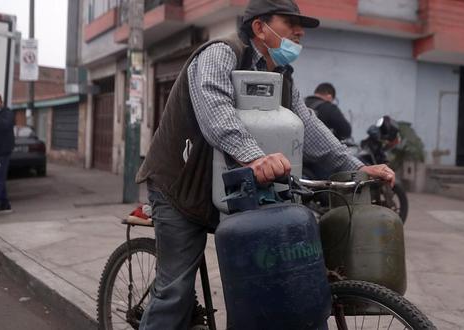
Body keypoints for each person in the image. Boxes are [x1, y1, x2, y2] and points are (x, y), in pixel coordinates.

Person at [135, 0, 396, 328]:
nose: (300, 32)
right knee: (175, 291)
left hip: (230, 190)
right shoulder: (222, 52)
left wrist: (356, 166)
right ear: (260, 27)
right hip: (180, 189)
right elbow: (215, 107)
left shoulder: (281, 77)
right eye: (290, 22)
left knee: (257, 282)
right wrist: (255, 156)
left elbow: (309, 127)